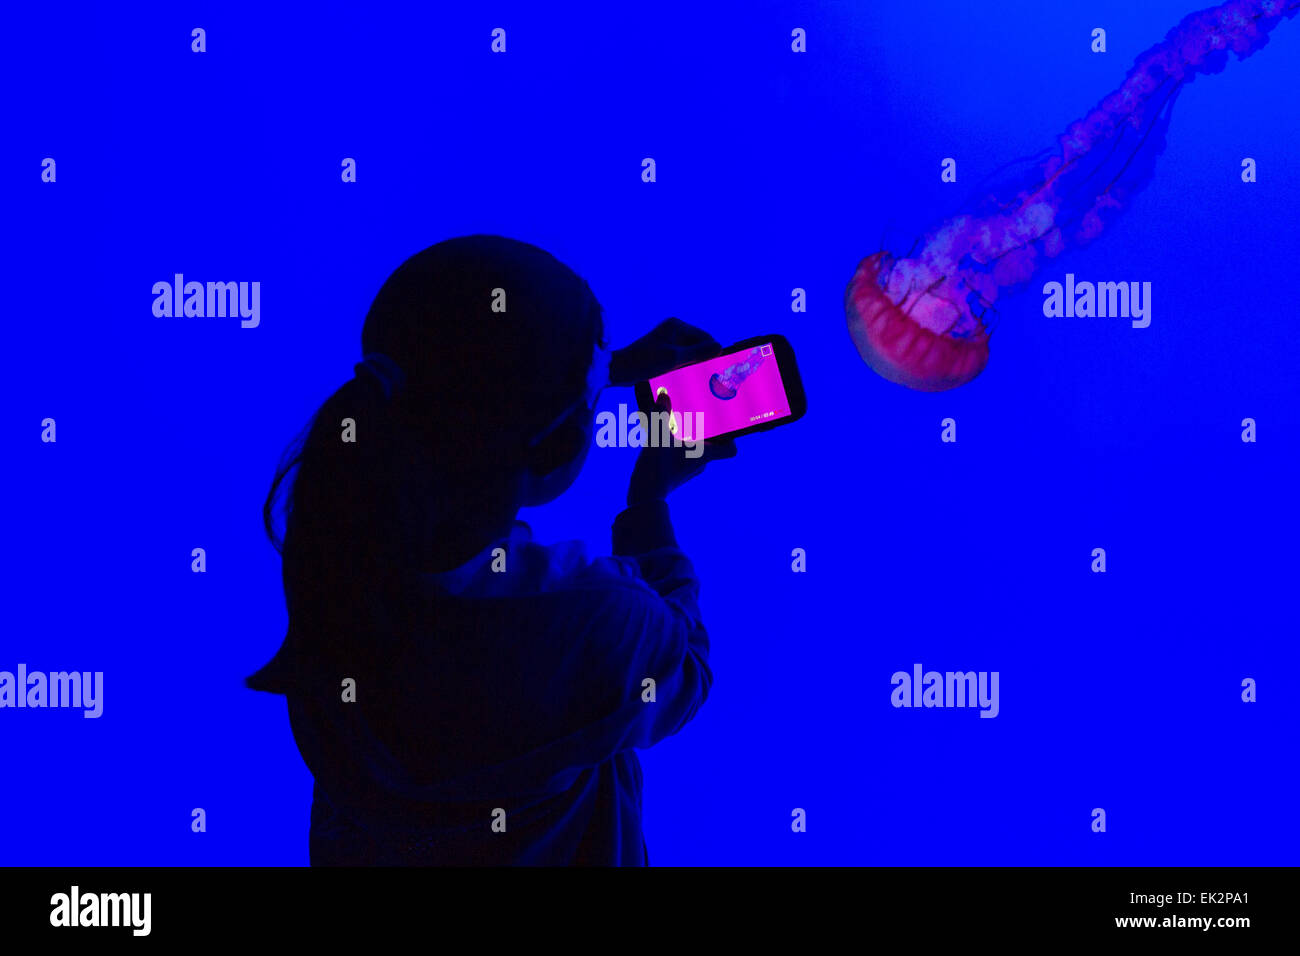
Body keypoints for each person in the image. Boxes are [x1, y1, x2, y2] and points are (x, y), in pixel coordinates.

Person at [247, 234, 735, 865]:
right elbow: (685, 670)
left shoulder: (338, 553)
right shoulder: (600, 619)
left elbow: (449, 383)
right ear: (558, 449)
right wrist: (649, 500)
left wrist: (598, 373)